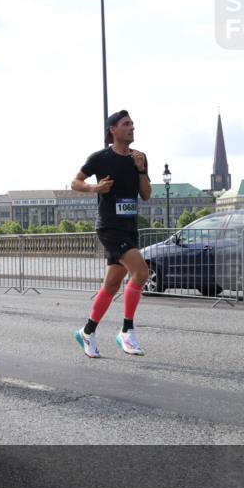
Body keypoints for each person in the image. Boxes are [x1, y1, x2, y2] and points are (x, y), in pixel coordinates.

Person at [72, 110, 152, 358]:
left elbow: (146, 195)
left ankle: (87, 331)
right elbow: (76, 182)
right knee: (141, 272)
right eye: (126, 124)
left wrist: (141, 170)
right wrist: (95, 187)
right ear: (113, 130)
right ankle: (127, 330)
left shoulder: (139, 157)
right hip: (109, 226)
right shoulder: (101, 158)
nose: (132, 127)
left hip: (129, 227)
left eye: (133, 124)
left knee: (112, 284)